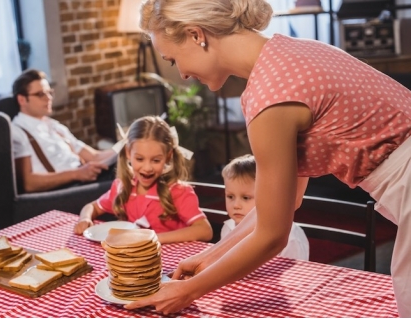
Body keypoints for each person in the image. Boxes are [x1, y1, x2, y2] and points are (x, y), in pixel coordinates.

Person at [124, 0, 411, 316]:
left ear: (196, 35)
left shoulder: (269, 97)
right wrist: (210, 257)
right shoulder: (292, 53)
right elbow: (282, 204)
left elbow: (274, 235)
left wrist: (189, 291)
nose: (182, 73)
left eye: (173, 59)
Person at [73, 115, 213, 244]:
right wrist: (85, 218)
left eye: (156, 160)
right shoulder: (122, 187)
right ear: (128, 153)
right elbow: (92, 207)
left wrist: (154, 239)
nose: (147, 168)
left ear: (168, 156)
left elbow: (205, 230)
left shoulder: (177, 191)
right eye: (140, 159)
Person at [11, 69, 117, 193]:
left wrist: (124, 147)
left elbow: (94, 156)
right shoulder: (17, 131)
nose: (49, 98)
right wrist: (76, 174)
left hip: (84, 179)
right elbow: (28, 183)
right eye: (41, 94)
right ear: (22, 100)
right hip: (64, 190)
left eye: (49, 92)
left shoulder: (54, 125)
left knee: (130, 167)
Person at [221, 154, 309, 260]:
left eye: (245, 197)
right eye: (230, 196)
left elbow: (295, 272)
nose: (236, 205)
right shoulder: (228, 228)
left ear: (268, 196)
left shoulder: (289, 236)